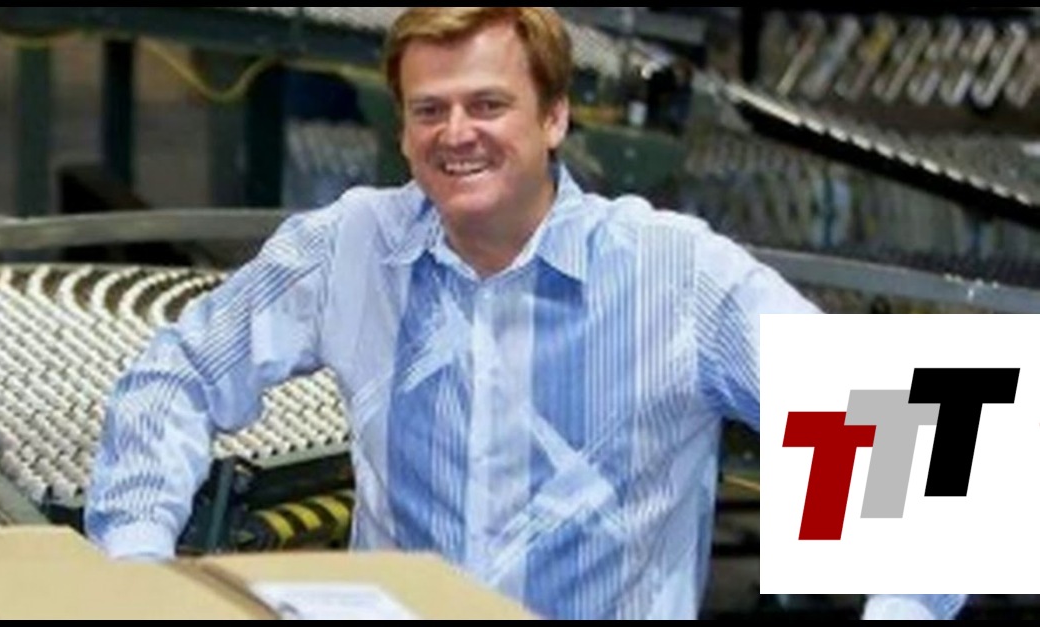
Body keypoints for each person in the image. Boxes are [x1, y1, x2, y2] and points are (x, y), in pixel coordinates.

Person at [85, 7, 965, 620]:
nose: (455, 133)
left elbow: (929, 462)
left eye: (487, 104)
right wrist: (135, 570)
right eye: (428, 110)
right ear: (401, 131)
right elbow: (178, 374)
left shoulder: (675, 277)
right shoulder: (352, 248)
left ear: (554, 117)